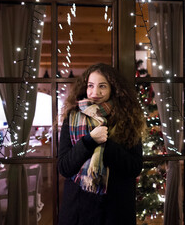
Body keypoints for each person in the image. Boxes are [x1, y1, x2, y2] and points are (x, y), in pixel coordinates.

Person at [58, 63, 145, 225]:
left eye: (102, 86)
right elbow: (64, 167)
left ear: (114, 89)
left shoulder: (128, 119)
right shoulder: (71, 118)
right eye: (90, 86)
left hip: (116, 211)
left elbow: (135, 167)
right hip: (78, 210)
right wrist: (90, 140)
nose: (95, 92)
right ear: (85, 87)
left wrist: (108, 146)